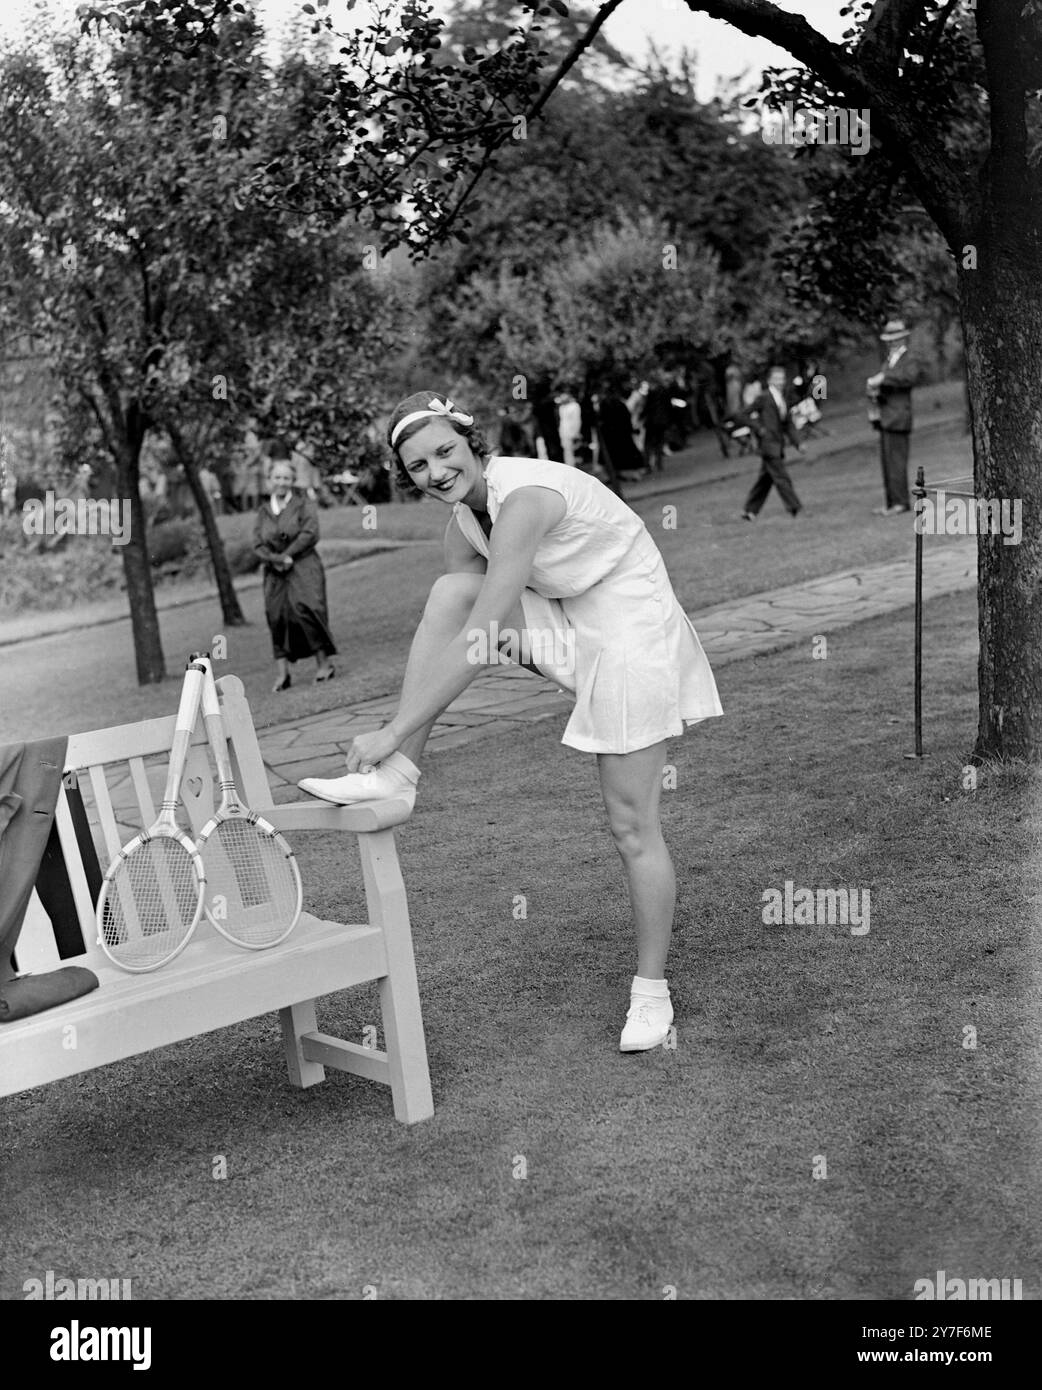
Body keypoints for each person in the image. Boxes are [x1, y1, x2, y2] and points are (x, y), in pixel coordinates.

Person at [297, 391, 724, 1053]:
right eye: (418, 465)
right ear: (405, 477)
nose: (436, 471)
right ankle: (400, 776)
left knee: (631, 823)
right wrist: (402, 738)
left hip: (633, 633)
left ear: (472, 443)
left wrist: (388, 725)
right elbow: (464, 625)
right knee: (449, 591)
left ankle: (651, 994)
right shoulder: (462, 523)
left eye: (445, 452)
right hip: (573, 623)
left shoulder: (522, 498)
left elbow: (484, 636)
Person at [254, 456, 337, 691]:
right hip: (274, 572)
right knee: (277, 616)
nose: (281, 482)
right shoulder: (263, 511)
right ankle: (283, 675)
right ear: (270, 480)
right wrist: (276, 560)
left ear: (293, 480)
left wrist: (289, 554)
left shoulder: (303, 504)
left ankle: (324, 665)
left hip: (303, 564)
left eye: (286, 478)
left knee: (308, 609)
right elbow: (257, 544)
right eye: (277, 477)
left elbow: (310, 533)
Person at [738, 365, 804, 520]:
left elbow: (787, 424)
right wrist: (759, 428)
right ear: (769, 381)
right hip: (769, 445)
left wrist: (798, 443)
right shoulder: (764, 397)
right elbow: (742, 415)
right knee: (781, 477)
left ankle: (749, 511)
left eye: (782, 379)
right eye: (777, 379)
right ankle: (795, 507)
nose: (780, 382)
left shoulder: (783, 398)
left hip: (777, 444)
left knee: (765, 480)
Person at [867, 319, 917, 516]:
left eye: (894, 339)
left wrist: (883, 379)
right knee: (887, 463)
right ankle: (891, 502)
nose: (891, 343)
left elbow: (909, 379)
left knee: (897, 462)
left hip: (899, 416)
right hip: (886, 415)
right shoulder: (889, 360)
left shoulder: (909, 358)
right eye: (889, 339)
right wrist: (875, 392)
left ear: (902, 339)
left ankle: (901, 503)